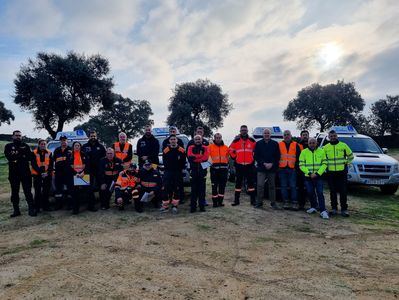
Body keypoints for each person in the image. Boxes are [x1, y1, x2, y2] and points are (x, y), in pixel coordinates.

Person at [4, 130, 36, 217]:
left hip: (25, 173)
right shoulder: (8, 146)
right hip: (14, 173)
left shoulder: (25, 146)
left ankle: (31, 209)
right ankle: (16, 211)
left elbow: (30, 157)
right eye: (16, 135)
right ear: (13, 136)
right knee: (14, 192)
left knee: (28, 192)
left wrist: (18, 155)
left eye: (19, 135)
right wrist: (22, 155)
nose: (18, 137)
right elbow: (9, 157)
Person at [323, 130, 354, 217]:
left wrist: (346, 162)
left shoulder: (343, 145)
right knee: (332, 191)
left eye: (334, 136)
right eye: (331, 136)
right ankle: (334, 209)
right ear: (329, 137)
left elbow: (351, 156)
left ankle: (344, 209)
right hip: (330, 173)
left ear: (337, 136)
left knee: (343, 191)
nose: (333, 137)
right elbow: (323, 160)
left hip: (342, 172)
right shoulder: (325, 147)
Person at [299, 137, 329, 219]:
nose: (312, 144)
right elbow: (301, 165)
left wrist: (317, 173)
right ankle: (313, 207)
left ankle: (323, 210)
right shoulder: (304, 152)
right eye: (310, 143)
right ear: (308, 144)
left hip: (318, 176)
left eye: (313, 143)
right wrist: (309, 173)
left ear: (316, 143)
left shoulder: (321, 151)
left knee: (320, 193)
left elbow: (325, 164)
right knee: (310, 192)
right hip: (308, 176)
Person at [229, 125, 257, 206]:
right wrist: (235, 157)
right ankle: (236, 201)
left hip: (249, 165)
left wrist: (253, 158)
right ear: (240, 131)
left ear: (247, 131)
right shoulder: (236, 141)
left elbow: (257, 150)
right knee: (238, 184)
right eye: (242, 130)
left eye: (245, 130)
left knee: (251, 184)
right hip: (239, 165)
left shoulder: (252, 140)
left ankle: (253, 201)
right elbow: (230, 149)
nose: (244, 131)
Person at [254, 128, 280, 209]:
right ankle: (259, 203)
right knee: (260, 185)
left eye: (268, 133)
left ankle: (273, 203)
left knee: (272, 186)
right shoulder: (258, 143)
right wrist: (264, 163)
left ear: (270, 134)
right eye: (265, 133)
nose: (266, 134)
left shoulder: (275, 144)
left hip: (272, 169)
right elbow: (256, 156)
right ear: (263, 134)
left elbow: (277, 156)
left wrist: (272, 164)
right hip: (261, 168)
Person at [69, 141, 96, 214]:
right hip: (74, 176)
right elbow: (68, 167)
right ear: (73, 147)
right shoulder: (70, 155)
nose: (77, 147)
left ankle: (91, 206)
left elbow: (88, 165)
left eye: (78, 145)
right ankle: (75, 209)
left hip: (84, 175)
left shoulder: (84, 154)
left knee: (89, 191)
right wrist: (76, 174)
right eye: (75, 145)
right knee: (75, 193)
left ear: (80, 147)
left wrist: (83, 172)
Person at [162, 135, 186, 214]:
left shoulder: (182, 150)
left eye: (174, 139)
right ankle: (165, 206)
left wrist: (179, 169)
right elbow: (164, 162)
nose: (173, 141)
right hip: (168, 172)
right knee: (166, 188)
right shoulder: (166, 150)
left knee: (177, 188)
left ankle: (175, 206)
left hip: (178, 172)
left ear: (177, 140)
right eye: (171, 139)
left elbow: (183, 162)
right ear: (169, 141)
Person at [278, 130, 302, 210]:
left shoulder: (295, 144)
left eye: (288, 134)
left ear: (291, 135)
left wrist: (296, 167)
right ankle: (286, 202)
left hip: (292, 169)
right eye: (285, 135)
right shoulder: (279, 144)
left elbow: (299, 157)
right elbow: (276, 156)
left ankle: (295, 203)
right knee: (283, 186)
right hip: (282, 169)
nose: (286, 136)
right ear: (283, 136)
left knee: (293, 186)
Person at [82, 131, 106, 206]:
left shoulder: (101, 146)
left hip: (99, 170)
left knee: (101, 186)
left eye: (94, 136)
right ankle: (91, 205)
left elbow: (104, 158)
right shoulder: (84, 146)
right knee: (89, 188)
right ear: (89, 137)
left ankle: (103, 203)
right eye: (91, 136)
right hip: (88, 170)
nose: (93, 138)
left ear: (96, 137)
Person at [187, 135, 210, 213]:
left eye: (199, 139)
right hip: (193, 171)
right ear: (194, 140)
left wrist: (195, 158)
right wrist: (199, 157)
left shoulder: (205, 147)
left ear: (201, 139)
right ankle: (193, 207)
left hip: (202, 171)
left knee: (202, 190)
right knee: (193, 190)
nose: (198, 140)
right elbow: (189, 157)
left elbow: (206, 158)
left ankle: (202, 206)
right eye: (196, 139)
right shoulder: (190, 147)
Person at [31, 139, 53, 212]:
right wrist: (41, 173)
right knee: (37, 191)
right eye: (41, 144)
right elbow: (33, 164)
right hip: (37, 175)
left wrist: (47, 173)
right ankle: (37, 207)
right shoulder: (34, 152)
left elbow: (51, 165)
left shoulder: (49, 153)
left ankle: (45, 206)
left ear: (46, 145)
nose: (43, 145)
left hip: (47, 175)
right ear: (39, 144)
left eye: (44, 144)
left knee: (46, 191)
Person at [208, 133, 229, 207]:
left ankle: (220, 202)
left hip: (224, 170)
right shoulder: (210, 147)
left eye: (219, 137)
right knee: (214, 187)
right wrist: (211, 165)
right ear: (214, 138)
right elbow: (207, 157)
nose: (218, 139)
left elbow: (228, 157)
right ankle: (214, 203)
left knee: (222, 186)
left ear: (221, 138)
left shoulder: (226, 147)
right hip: (214, 170)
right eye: (217, 138)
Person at [53, 135, 73, 210]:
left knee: (69, 190)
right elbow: (54, 160)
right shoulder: (56, 150)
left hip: (68, 173)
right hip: (58, 173)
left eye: (64, 140)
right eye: (62, 140)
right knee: (58, 190)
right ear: (60, 141)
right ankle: (59, 204)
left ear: (67, 141)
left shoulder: (71, 150)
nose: (63, 141)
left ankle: (70, 204)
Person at [297, 130, 310, 210]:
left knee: (310, 187)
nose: (305, 136)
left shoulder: (312, 144)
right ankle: (301, 204)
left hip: (310, 170)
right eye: (303, 135)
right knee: (300, 187)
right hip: (300, 170)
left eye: (306, 135)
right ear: (301, 136)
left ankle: (313, 203)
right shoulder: (297, 145)